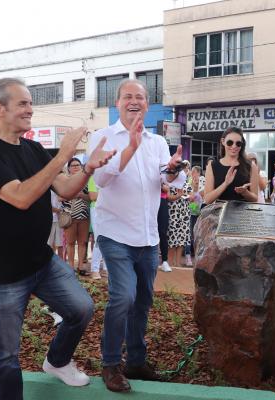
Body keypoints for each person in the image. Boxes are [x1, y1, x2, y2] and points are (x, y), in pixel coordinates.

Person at [0, 77, 115, 400]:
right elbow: (20, 196)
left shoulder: (33, 149)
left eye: (31, 103)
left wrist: (87, 167)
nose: (30, 110)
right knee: (5, 356)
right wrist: (63, 155)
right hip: (0, 274)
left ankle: (57, 362)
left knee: (81, 309)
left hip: (40, 260)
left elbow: (65, 188)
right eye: (23, 103)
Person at [89, 78, 182, 393]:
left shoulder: (156, 142)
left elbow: (169, 180)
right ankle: (111, 363)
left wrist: (172, 168)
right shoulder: (102, 137)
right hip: (114, 234)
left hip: (148, 237)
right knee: (123, 297)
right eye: (127, 96)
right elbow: (101, 178)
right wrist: (129, 148)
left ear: (147, 104)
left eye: (140, 97)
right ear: (117, 103)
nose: (134, 101)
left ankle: (136, 362)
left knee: (142, 301)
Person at [204, 127, 259, 203]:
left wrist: (245, 192)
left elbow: (255, 198)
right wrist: (225, 183)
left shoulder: (251, 166)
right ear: (223, 141)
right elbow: (207, 199)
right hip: (220, 213)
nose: (234, 146)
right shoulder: (212, 166)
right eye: (230, 142)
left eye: (238, 143)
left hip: (244, 213)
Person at [61, 157, 91, 275]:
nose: (76, 167)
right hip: (69, 216)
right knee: (70, 242)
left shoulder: (86, 180)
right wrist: (73, 193)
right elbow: (60, 197)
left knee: (83, 242)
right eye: (73, 165)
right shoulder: (64, 180)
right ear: (68, 168)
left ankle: (81, 267)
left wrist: (81, 195)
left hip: (84, 216)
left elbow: (91, 197)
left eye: (78, 165)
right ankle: (71, 267)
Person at [167, 170, 192, 268]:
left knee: (182, 239)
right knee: (172, 239)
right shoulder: (169, 182)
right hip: (173, 213)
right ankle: (169, 262)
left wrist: (189, 195)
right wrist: (179, 195)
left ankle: (177, 263)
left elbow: (192, 194)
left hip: (184, 213)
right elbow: (168, 197)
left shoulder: (185, 182)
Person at [87, 176, 106, 280]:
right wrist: (110, 194)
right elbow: (93, 196)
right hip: (96, 209)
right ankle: (95, 269)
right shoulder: (94, 177)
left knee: (110, 238)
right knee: (99, 238)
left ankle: (106, 268)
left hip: (110, 209)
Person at [48, 190, 64, 258]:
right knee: (49, 243)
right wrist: (59, 211)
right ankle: (50, 261)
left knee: (60, 243)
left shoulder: (60, 190)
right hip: (50, 219)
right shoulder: (48, 190)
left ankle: (61, 261)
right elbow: (48, 206)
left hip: (60, 220)